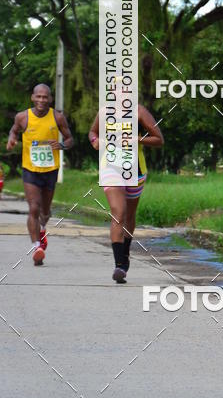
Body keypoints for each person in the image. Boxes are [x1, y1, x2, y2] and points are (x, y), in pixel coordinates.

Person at [89, 105, 164, 283]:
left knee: (129, 215)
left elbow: (159, 139)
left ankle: (126, 251)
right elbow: (93, 132)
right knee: (118, 213)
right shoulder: (104, 111)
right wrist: (95, 141)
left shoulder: (139, 112)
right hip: (111, 168)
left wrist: (139, 139)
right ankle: (119, 265)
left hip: (136, 170)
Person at [6, 84, 74, 265]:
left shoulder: (57, 117)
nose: (42, 100)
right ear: (33, 98)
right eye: (39, 97)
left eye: (45, 97)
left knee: (44, 211)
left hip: (50, 170)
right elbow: (14, 130)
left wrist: (62, 145)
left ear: (50, 99)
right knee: (34, 208)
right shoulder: (23, 117)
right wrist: (12, 139)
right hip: (30, 170)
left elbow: (70, 139)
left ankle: (42, 229)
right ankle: (37, 247)